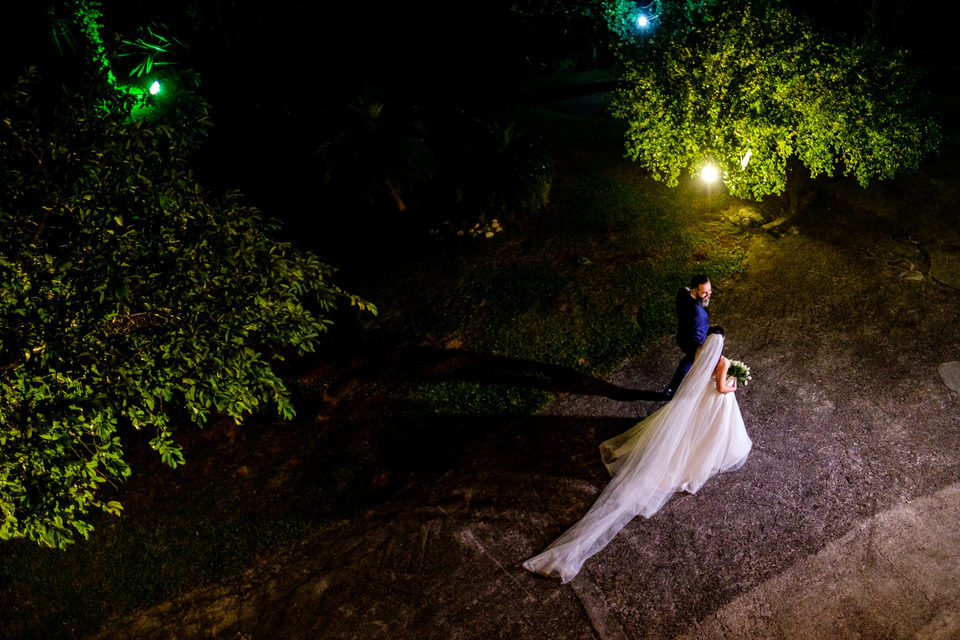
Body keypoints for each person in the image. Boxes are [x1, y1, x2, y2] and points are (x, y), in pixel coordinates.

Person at [522, 327, 751, 583]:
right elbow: (720, 388)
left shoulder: (700, 352)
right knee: (705, 435)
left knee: (687, 433)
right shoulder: (721, 361)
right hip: (713, 401)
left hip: (697, 401)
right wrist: (734, 384)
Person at [664, 275, 712, 399]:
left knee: (688, 361)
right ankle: (673, 389)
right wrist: (705, 346)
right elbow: (699, 336)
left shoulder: (683, 293)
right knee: (691, 361)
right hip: (691, 342)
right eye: (704, 292)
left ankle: (672, 388)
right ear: (695, 290)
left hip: (682, 334)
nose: (708, 295)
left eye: (710, 290)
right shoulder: (699, 315)